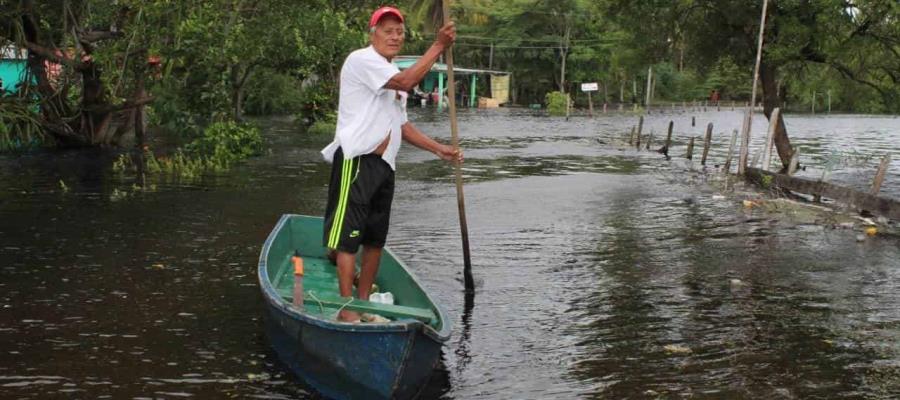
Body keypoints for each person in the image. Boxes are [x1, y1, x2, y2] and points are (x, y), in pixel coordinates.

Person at [320, 6, 461, 322]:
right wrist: (438, 46)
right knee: (347, 238)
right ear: (373, 34)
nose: (395, 36)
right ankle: (348, 310)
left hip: (385, 165)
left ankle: (364, 301)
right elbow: (408, 81)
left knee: (374, 238)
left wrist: (440, 150)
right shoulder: (363, 60)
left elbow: (401, 126)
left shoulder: (390, 70)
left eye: (399, 32)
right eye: (388, 30)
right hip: (357, 160)